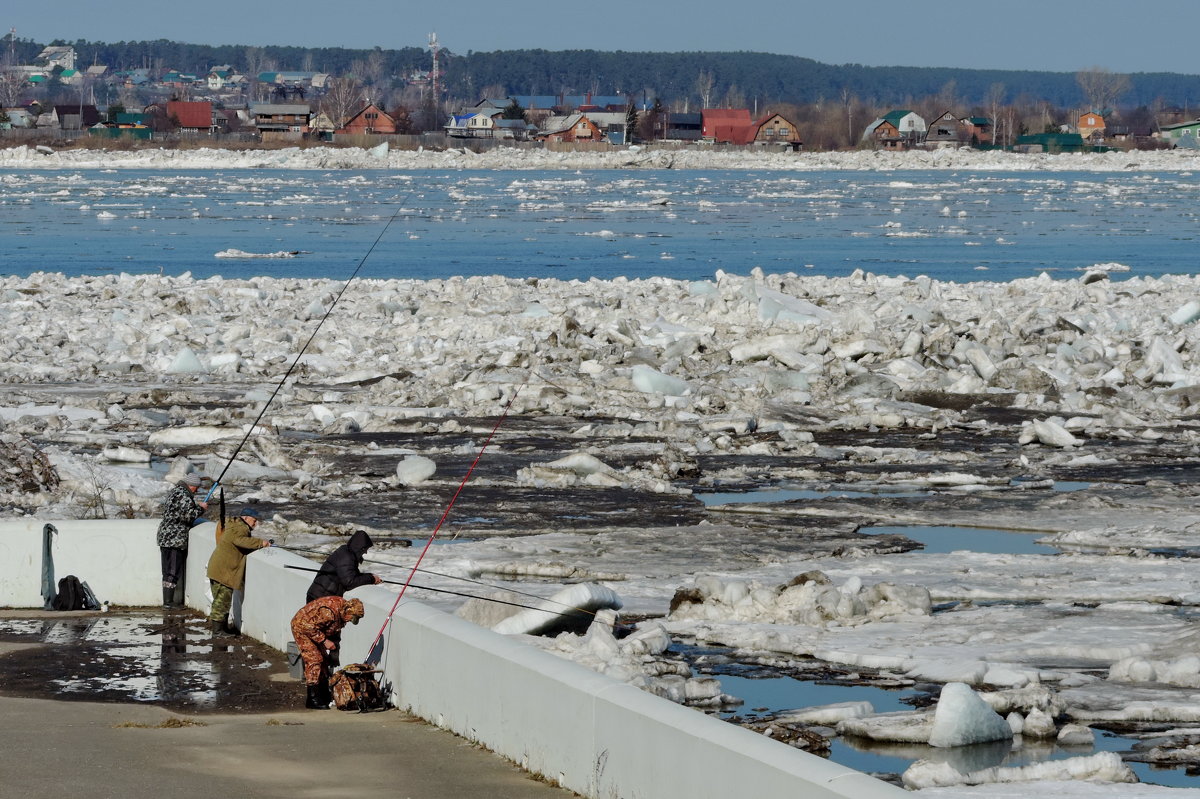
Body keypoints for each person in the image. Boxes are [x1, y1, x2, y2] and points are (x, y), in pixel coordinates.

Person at [290, 596, 365, 709]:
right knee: (314, 659)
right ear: (348, 611)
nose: (350, 621)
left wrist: (333, 649)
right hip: (302, 627)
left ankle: (323, 695)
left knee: (324, 660)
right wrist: (324, 641)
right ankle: (312, 699)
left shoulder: (341, 612)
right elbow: (307, 627)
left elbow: (334, 630)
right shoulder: (328, 612)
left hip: (315, 630)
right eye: (352, 617)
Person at [206, 507, 270, 637]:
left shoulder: (234, 525)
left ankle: (221, 629)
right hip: (223, 571)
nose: (255, 523)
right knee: (221, 601)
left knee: (222, 600)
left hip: (219, 569)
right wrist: (260, 543)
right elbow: (239, 541)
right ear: (245, 518)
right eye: (254, 520)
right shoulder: (240, 528)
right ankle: (218, 631)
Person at [155, 472, 207, 609]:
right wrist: (201, 509)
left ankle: (168, 601)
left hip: (166, 537)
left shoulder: (175, 492)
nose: (197, 490)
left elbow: (180, 511)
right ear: (191, 485)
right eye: (196, 487)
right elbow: (188, 516)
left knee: (167, 570)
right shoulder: (184, 495)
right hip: (174, 538)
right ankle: (168, 602)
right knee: (172, 571)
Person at [306, 529, 382, 602]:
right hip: (320, 599)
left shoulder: (347, 552)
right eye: (365, 549)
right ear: (360, 548)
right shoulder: (346, 557)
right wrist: (371, 579)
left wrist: (370, 576)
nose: (365, 552)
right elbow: (349, 582)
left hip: (322, 597)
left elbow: (352, 576)